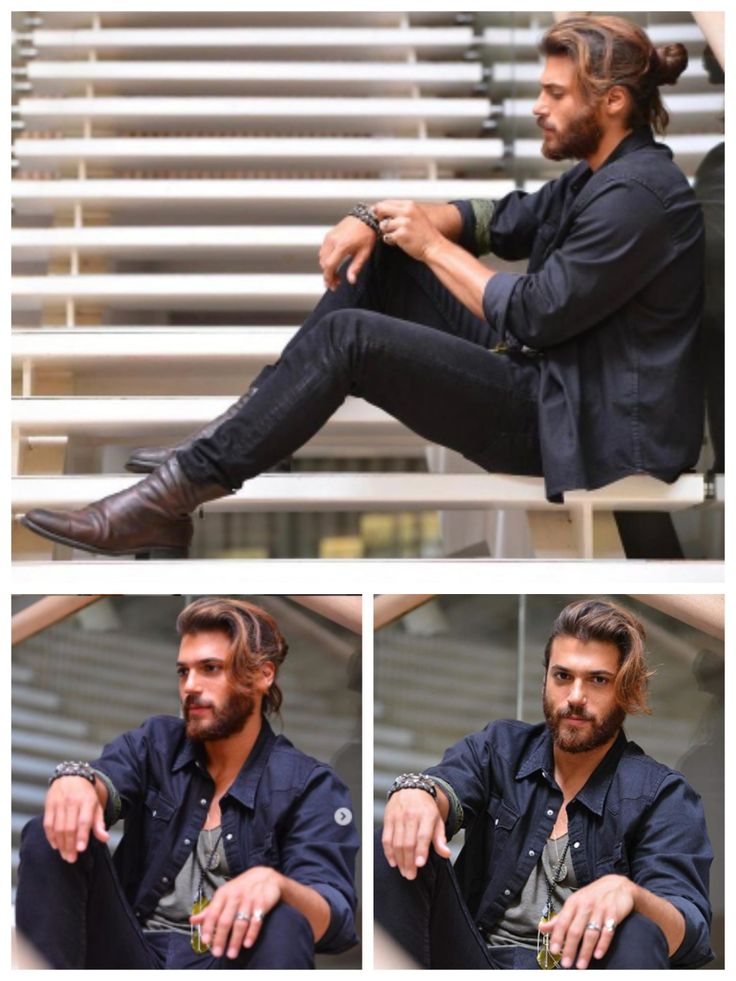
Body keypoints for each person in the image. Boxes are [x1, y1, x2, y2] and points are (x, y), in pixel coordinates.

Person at [20, 15, 705, 558]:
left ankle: (166, 502)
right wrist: (374, 218)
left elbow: (535, 313)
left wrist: (430, 243)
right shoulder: (598, 176)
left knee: (353, 337)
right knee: (382, 263)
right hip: (553, 382)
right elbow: (498, 218)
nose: (536, 107)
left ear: (612, 101)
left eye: (555, 95)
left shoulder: (640, 197)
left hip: (573, 422)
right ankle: (250, 432)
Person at [15, 598, 359, 969]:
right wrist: (77, 782)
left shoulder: (308, 785)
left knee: (286, 916)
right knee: (49, 833)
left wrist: (277, 886)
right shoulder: (157, 743)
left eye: (210, 668)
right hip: (133, 955)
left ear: (263, 675)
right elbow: (107, 779)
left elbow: (336, 918)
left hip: (230, 962)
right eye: (183, 672)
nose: (190, 686)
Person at [374, 599, 713, 970]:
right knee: (396, 838)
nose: (575, 698)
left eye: (598, 680)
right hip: (474, 960)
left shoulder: (661, 795)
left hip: (584, 968)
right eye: (562, 676)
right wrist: (416, 793)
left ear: (626, 690)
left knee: (641, 927)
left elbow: (691, 934)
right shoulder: (501, 747)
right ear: (546, 679)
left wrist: (631, 895)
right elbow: (447, 785)